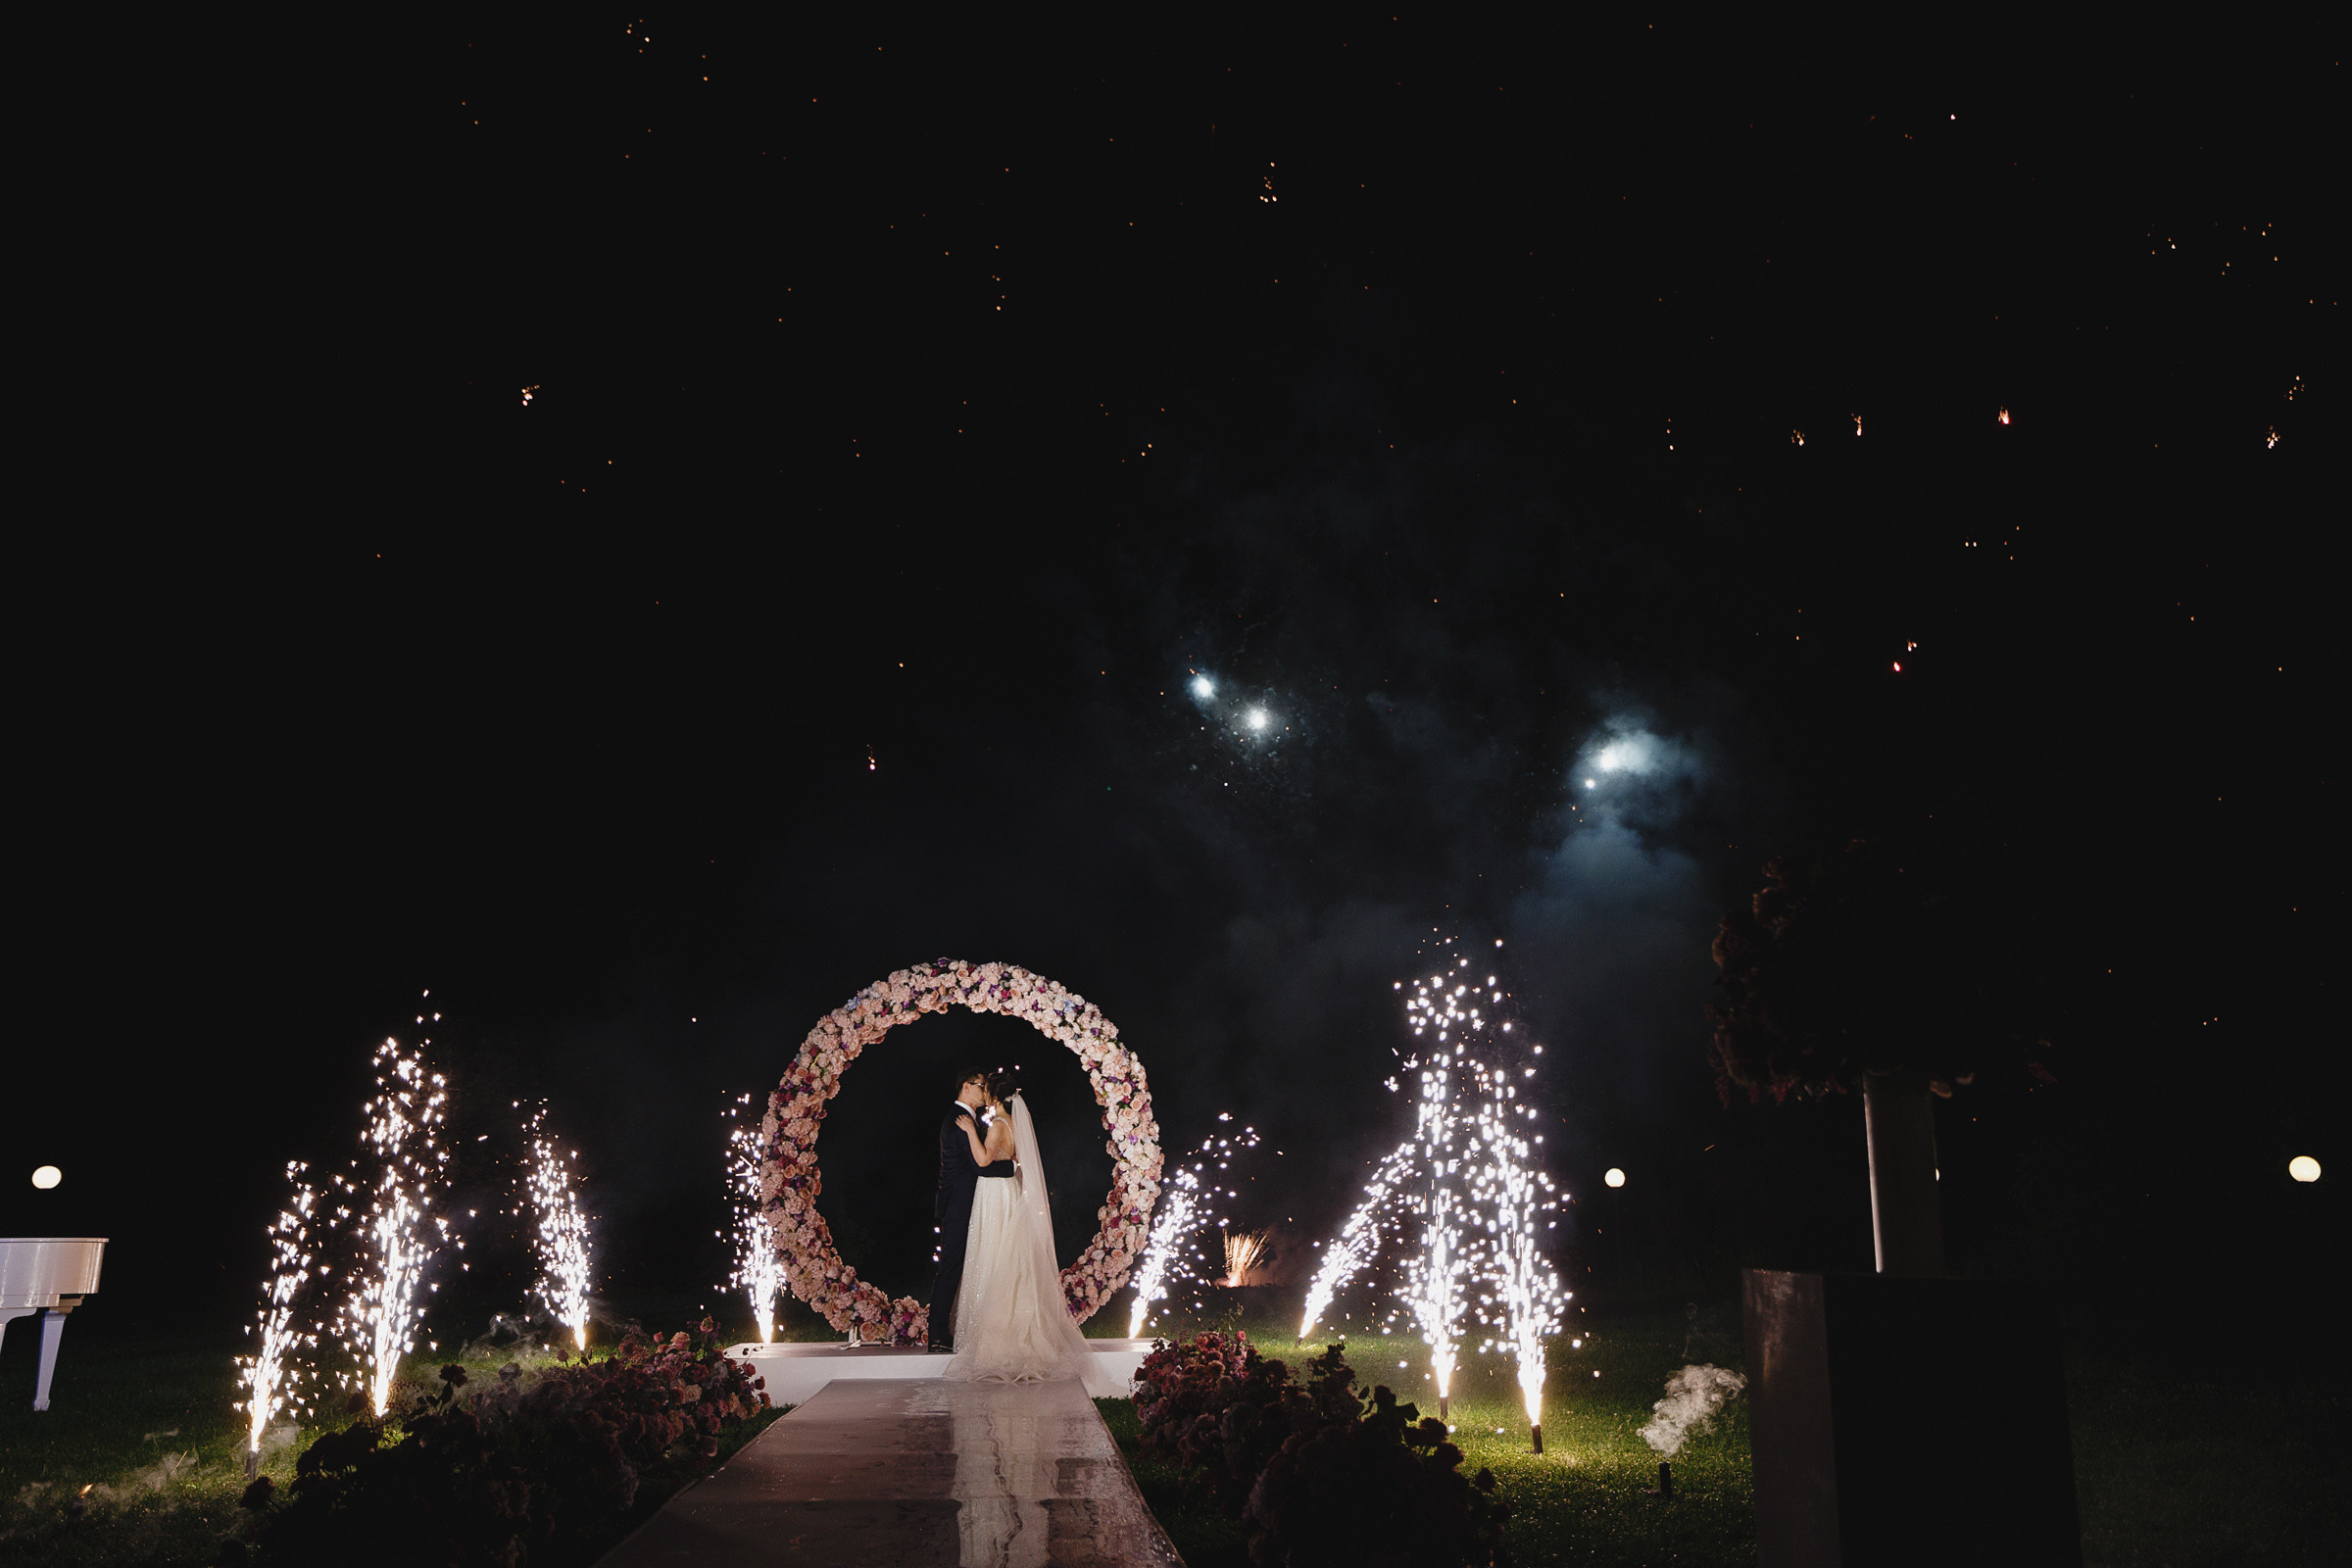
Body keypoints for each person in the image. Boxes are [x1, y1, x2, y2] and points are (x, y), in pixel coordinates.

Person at [942, 1068, 1107, 1390]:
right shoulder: (1016, 1124)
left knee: (992, 1252)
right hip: (1009, 1191)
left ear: (994, 1096)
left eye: (987, 1091)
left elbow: (983, 1160)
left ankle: (996, 1330)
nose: (984, 1095)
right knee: (1008, 1255)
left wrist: (971, 1132)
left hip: (993, 1195)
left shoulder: (997, 1125)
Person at [928, 1068, 1007, 1352]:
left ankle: (944, 1331)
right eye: (981, 1085)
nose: (985, 1091)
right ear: (966, 1086)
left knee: (957, 1267)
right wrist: (1013, 1167)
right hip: (957, 1206)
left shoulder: (966, 1119)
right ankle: (937, 1336)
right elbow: (978, 1166)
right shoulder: (959, 1120)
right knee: (950, 1268)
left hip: (961, 1203)